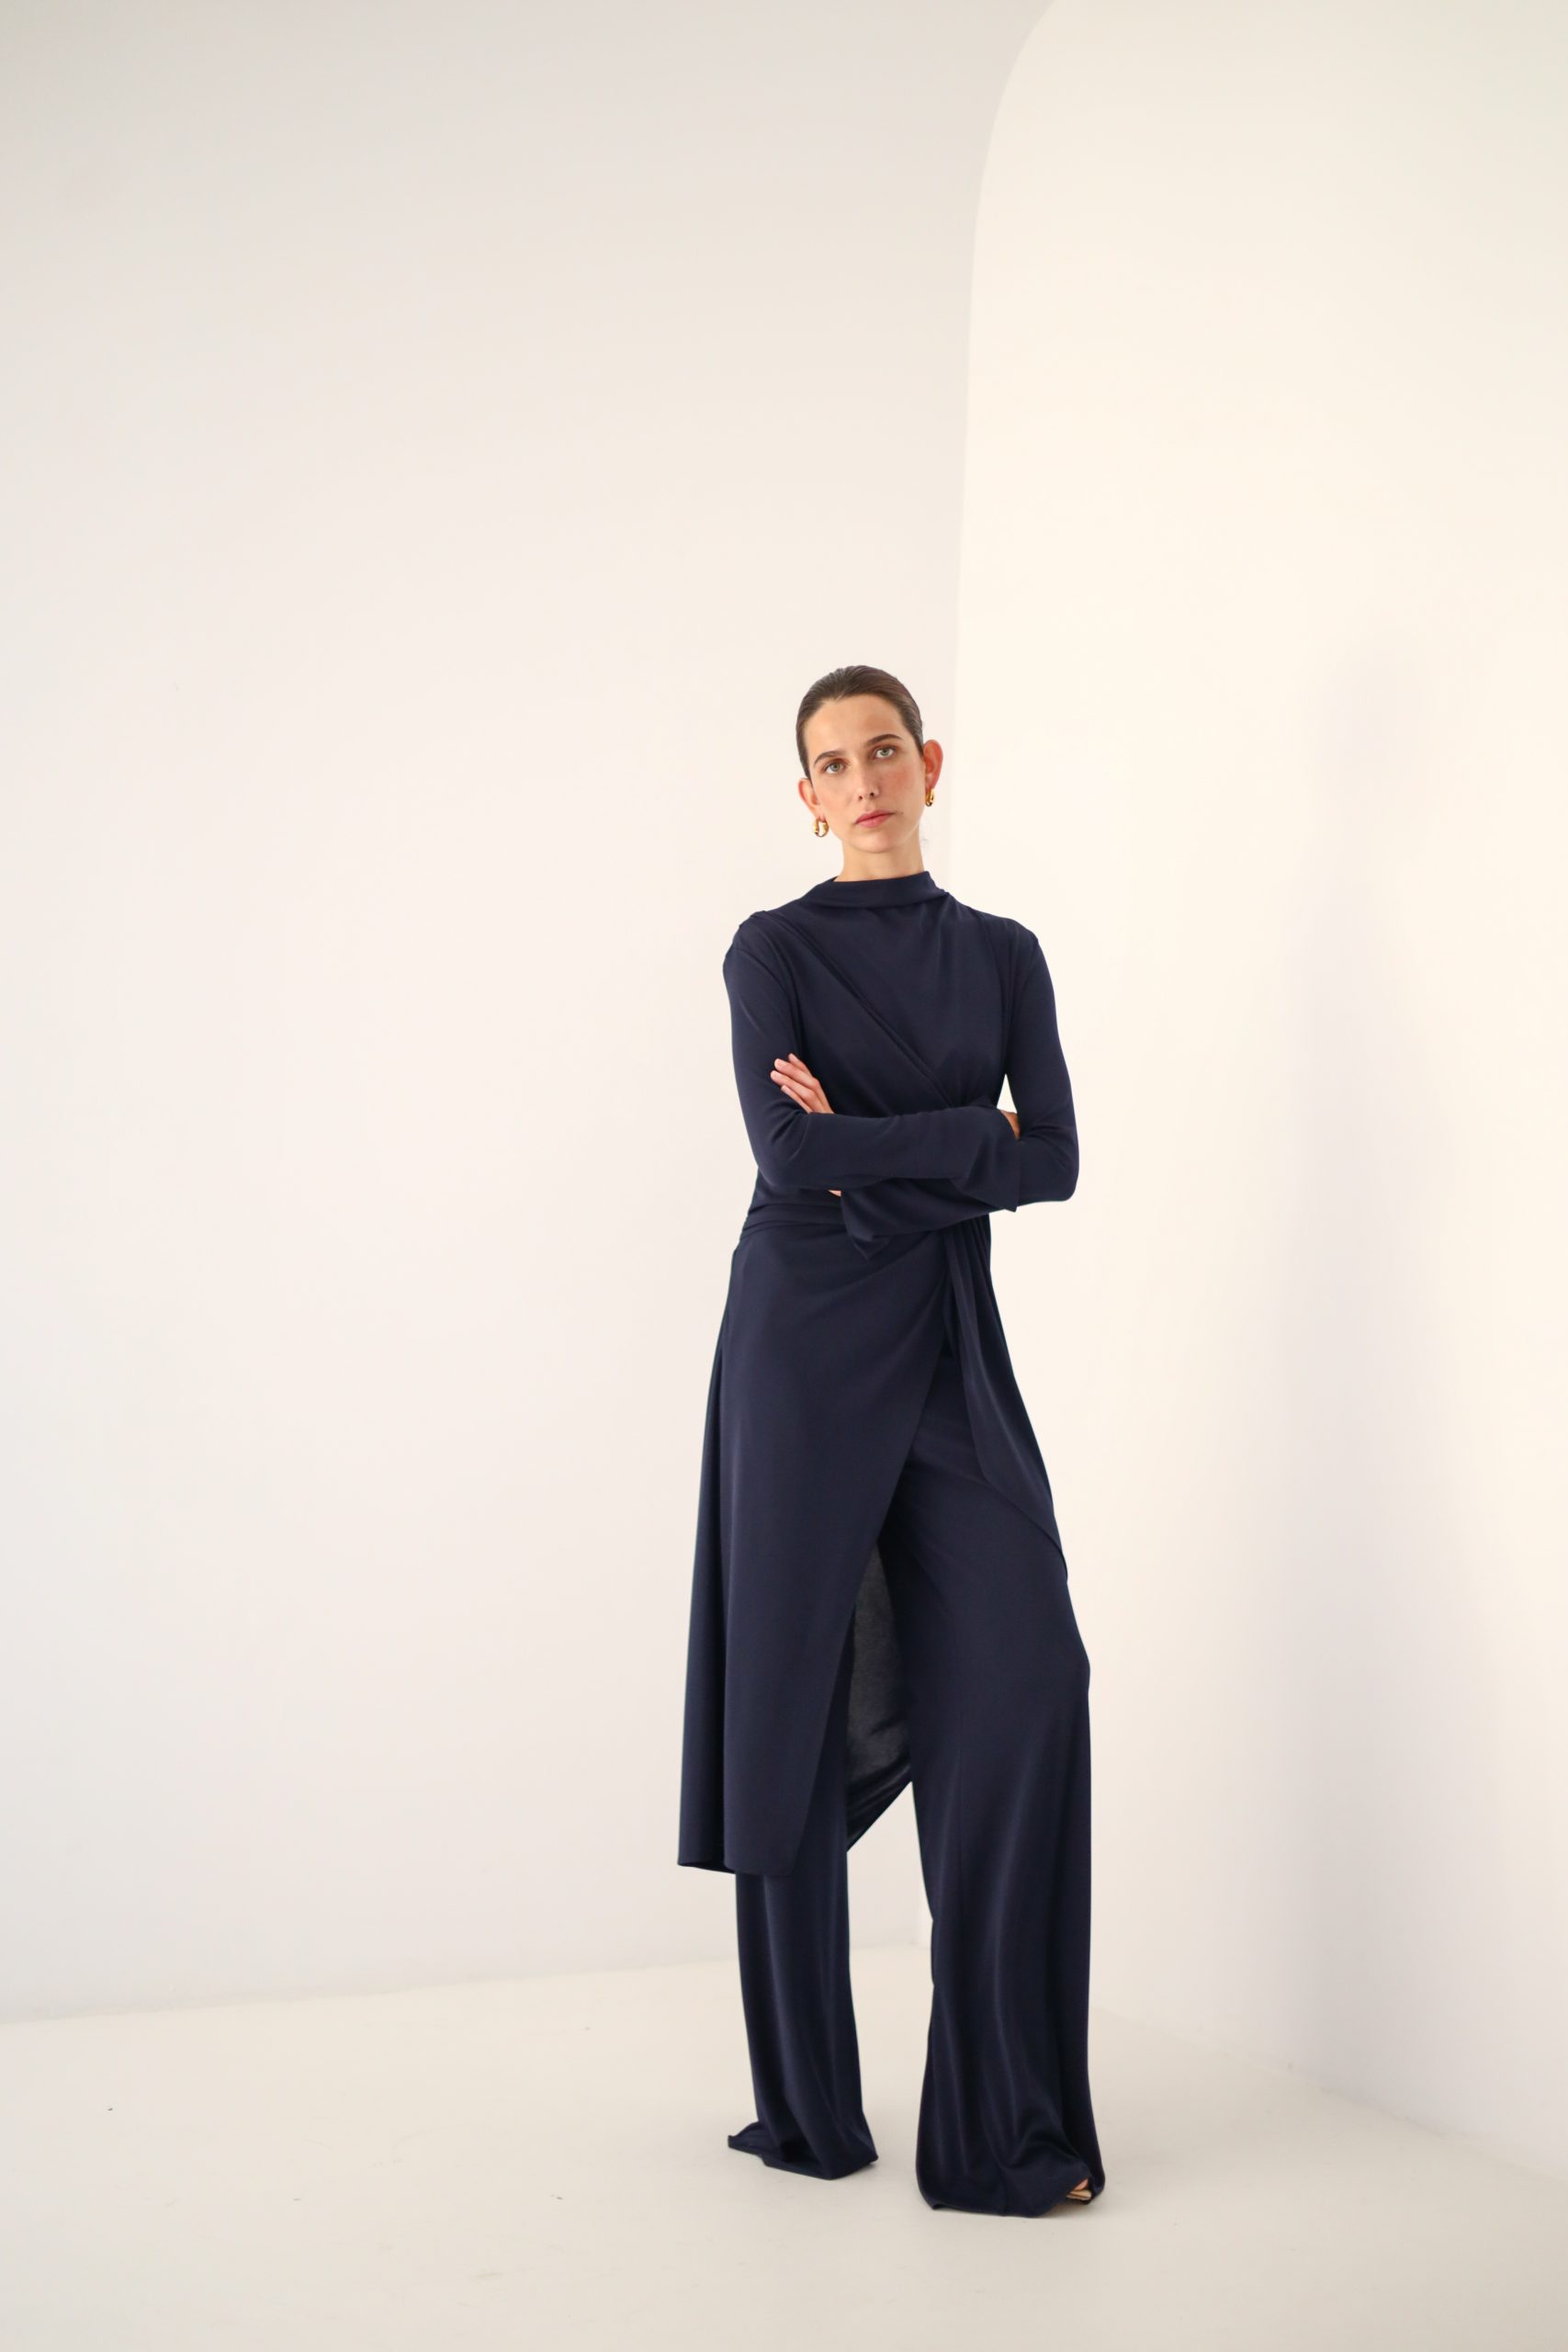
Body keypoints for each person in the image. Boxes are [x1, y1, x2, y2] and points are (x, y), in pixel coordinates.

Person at [677, 662, 1104, 2217]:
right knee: (790, 1704)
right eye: (832, 764)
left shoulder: (1003, 954)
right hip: (796, 1347)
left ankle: (1001, 2129)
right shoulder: (770, 949)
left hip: (942, 1340)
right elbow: (788, 1157)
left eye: (882, 753)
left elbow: (1056, 1161)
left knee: (1029, 1678)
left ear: (930, 763)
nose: (862, 782)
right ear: (807, 798)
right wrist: (970, 1138)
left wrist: (887, 1149)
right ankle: (810, 2109)